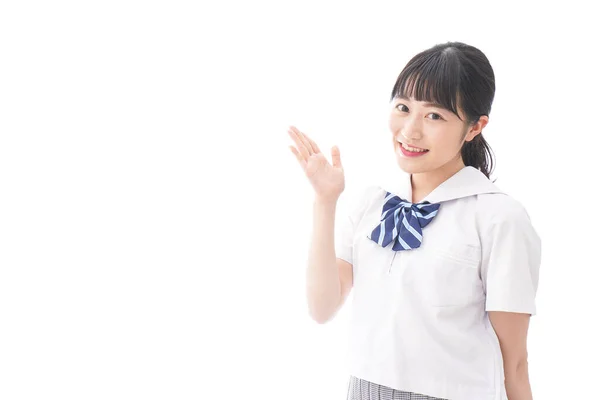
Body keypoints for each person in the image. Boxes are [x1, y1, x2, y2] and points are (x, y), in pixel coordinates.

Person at [287, 42, 541, 400]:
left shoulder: (499, 218)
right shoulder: (370, 203)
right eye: (403, 108)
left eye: (435, 116)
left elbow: (514, 363)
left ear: (474, 127)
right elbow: (321, 308)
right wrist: (325, 201)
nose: (410, 130)